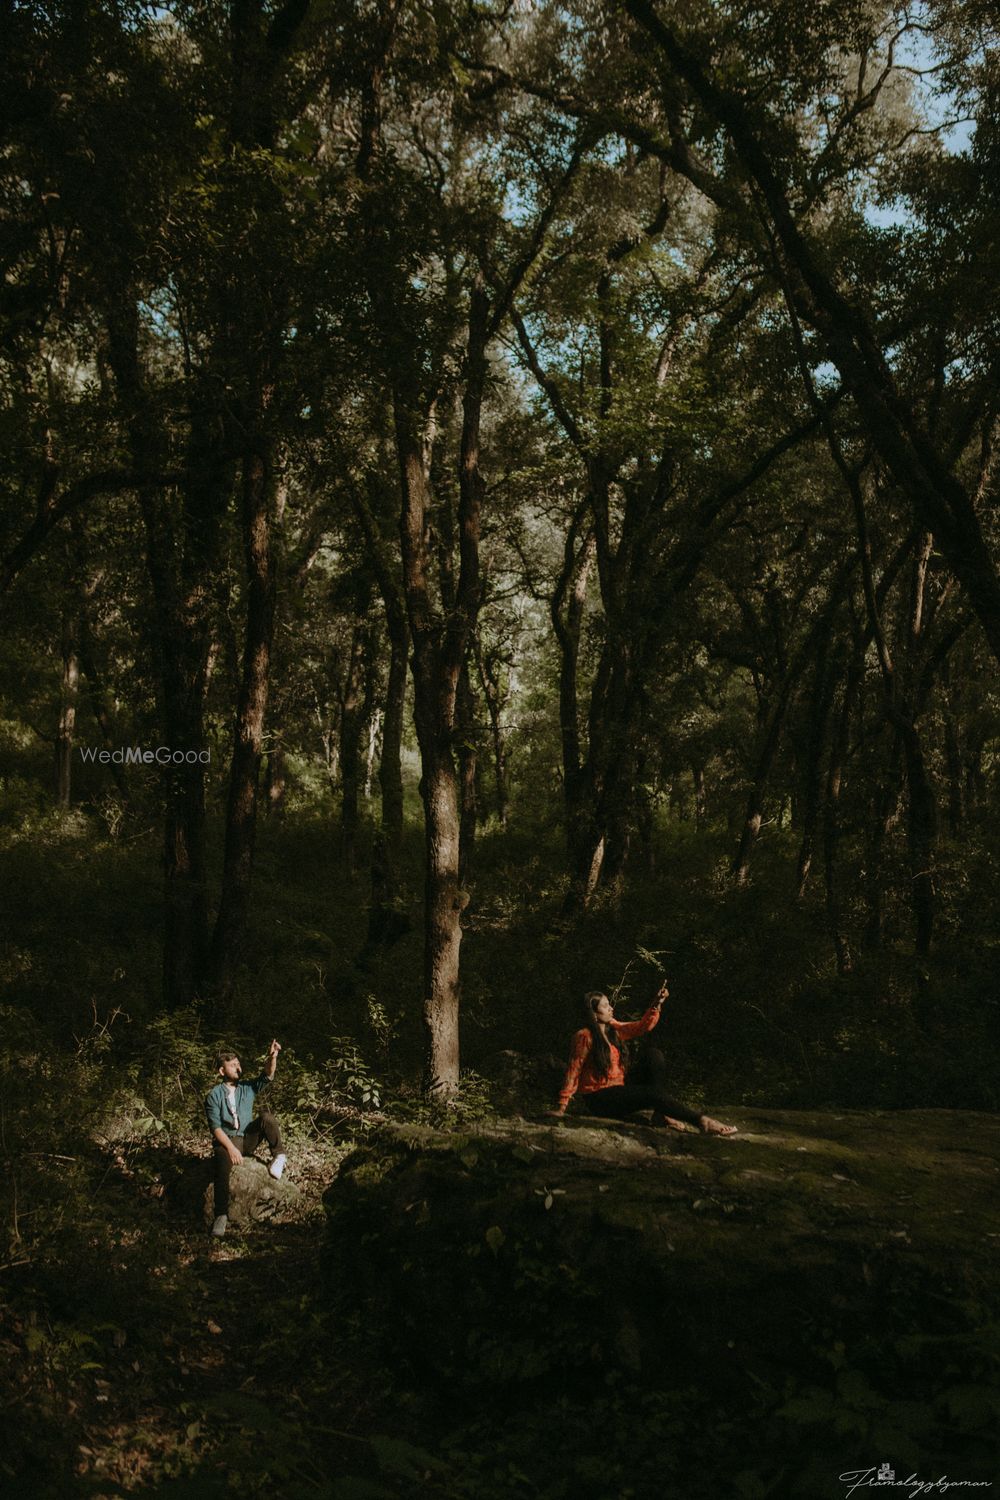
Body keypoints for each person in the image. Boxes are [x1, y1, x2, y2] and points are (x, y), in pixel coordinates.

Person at [550, 984, 737, 1135]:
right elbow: (574, 1069)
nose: (611, 1008)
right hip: (600, 1098)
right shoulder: (584, 1036)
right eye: (606, 1006)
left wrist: (657, 1003)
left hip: (619, 1088)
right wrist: (562, 1106)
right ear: (594, 1013)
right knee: (652, 1094)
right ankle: (702, 1121)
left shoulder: (613, 1029)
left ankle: (661, 1114)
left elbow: (641, 1027)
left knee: (653, 1055)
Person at [205, 1039, 286, 1238]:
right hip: (227, 1141)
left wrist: (272, 1056)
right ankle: (221, 1215)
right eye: (232, 1065)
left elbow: (267, 1075)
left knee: (267, 1118)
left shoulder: (247, 1088)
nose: (238, 1067)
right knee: (222, 1160)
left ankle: (280, 1156)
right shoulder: (214, 1095)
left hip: (246, 1139)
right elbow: (215, 1128)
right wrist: (231, 1149)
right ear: (221, 1071)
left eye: (238, 1064)